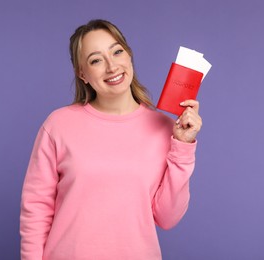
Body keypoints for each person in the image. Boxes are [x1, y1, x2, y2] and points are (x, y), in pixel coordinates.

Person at [20, 19, 202, 260]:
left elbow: (167, 219)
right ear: (82, 74)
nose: (111, 66)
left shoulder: (165, 129)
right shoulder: (58, 125)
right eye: (96, 60)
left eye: (117, 52)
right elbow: (36, 208)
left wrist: (184, 147)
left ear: (129, 56)